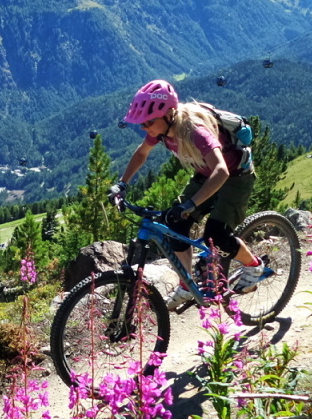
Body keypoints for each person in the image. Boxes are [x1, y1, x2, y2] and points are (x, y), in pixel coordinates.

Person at [110, 79, 265, 309]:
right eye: (142, 124)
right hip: (205, 174)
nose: (145, 128)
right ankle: (187, 285)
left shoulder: (195, 132)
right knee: (174, 227)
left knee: (218, 235)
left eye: (149, 122)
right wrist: (122, 184)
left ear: (169, 113)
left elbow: (221, 171)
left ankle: (253, 266)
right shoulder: (161, 129)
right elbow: (141, 153)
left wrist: (191, 205)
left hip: (235, 177)